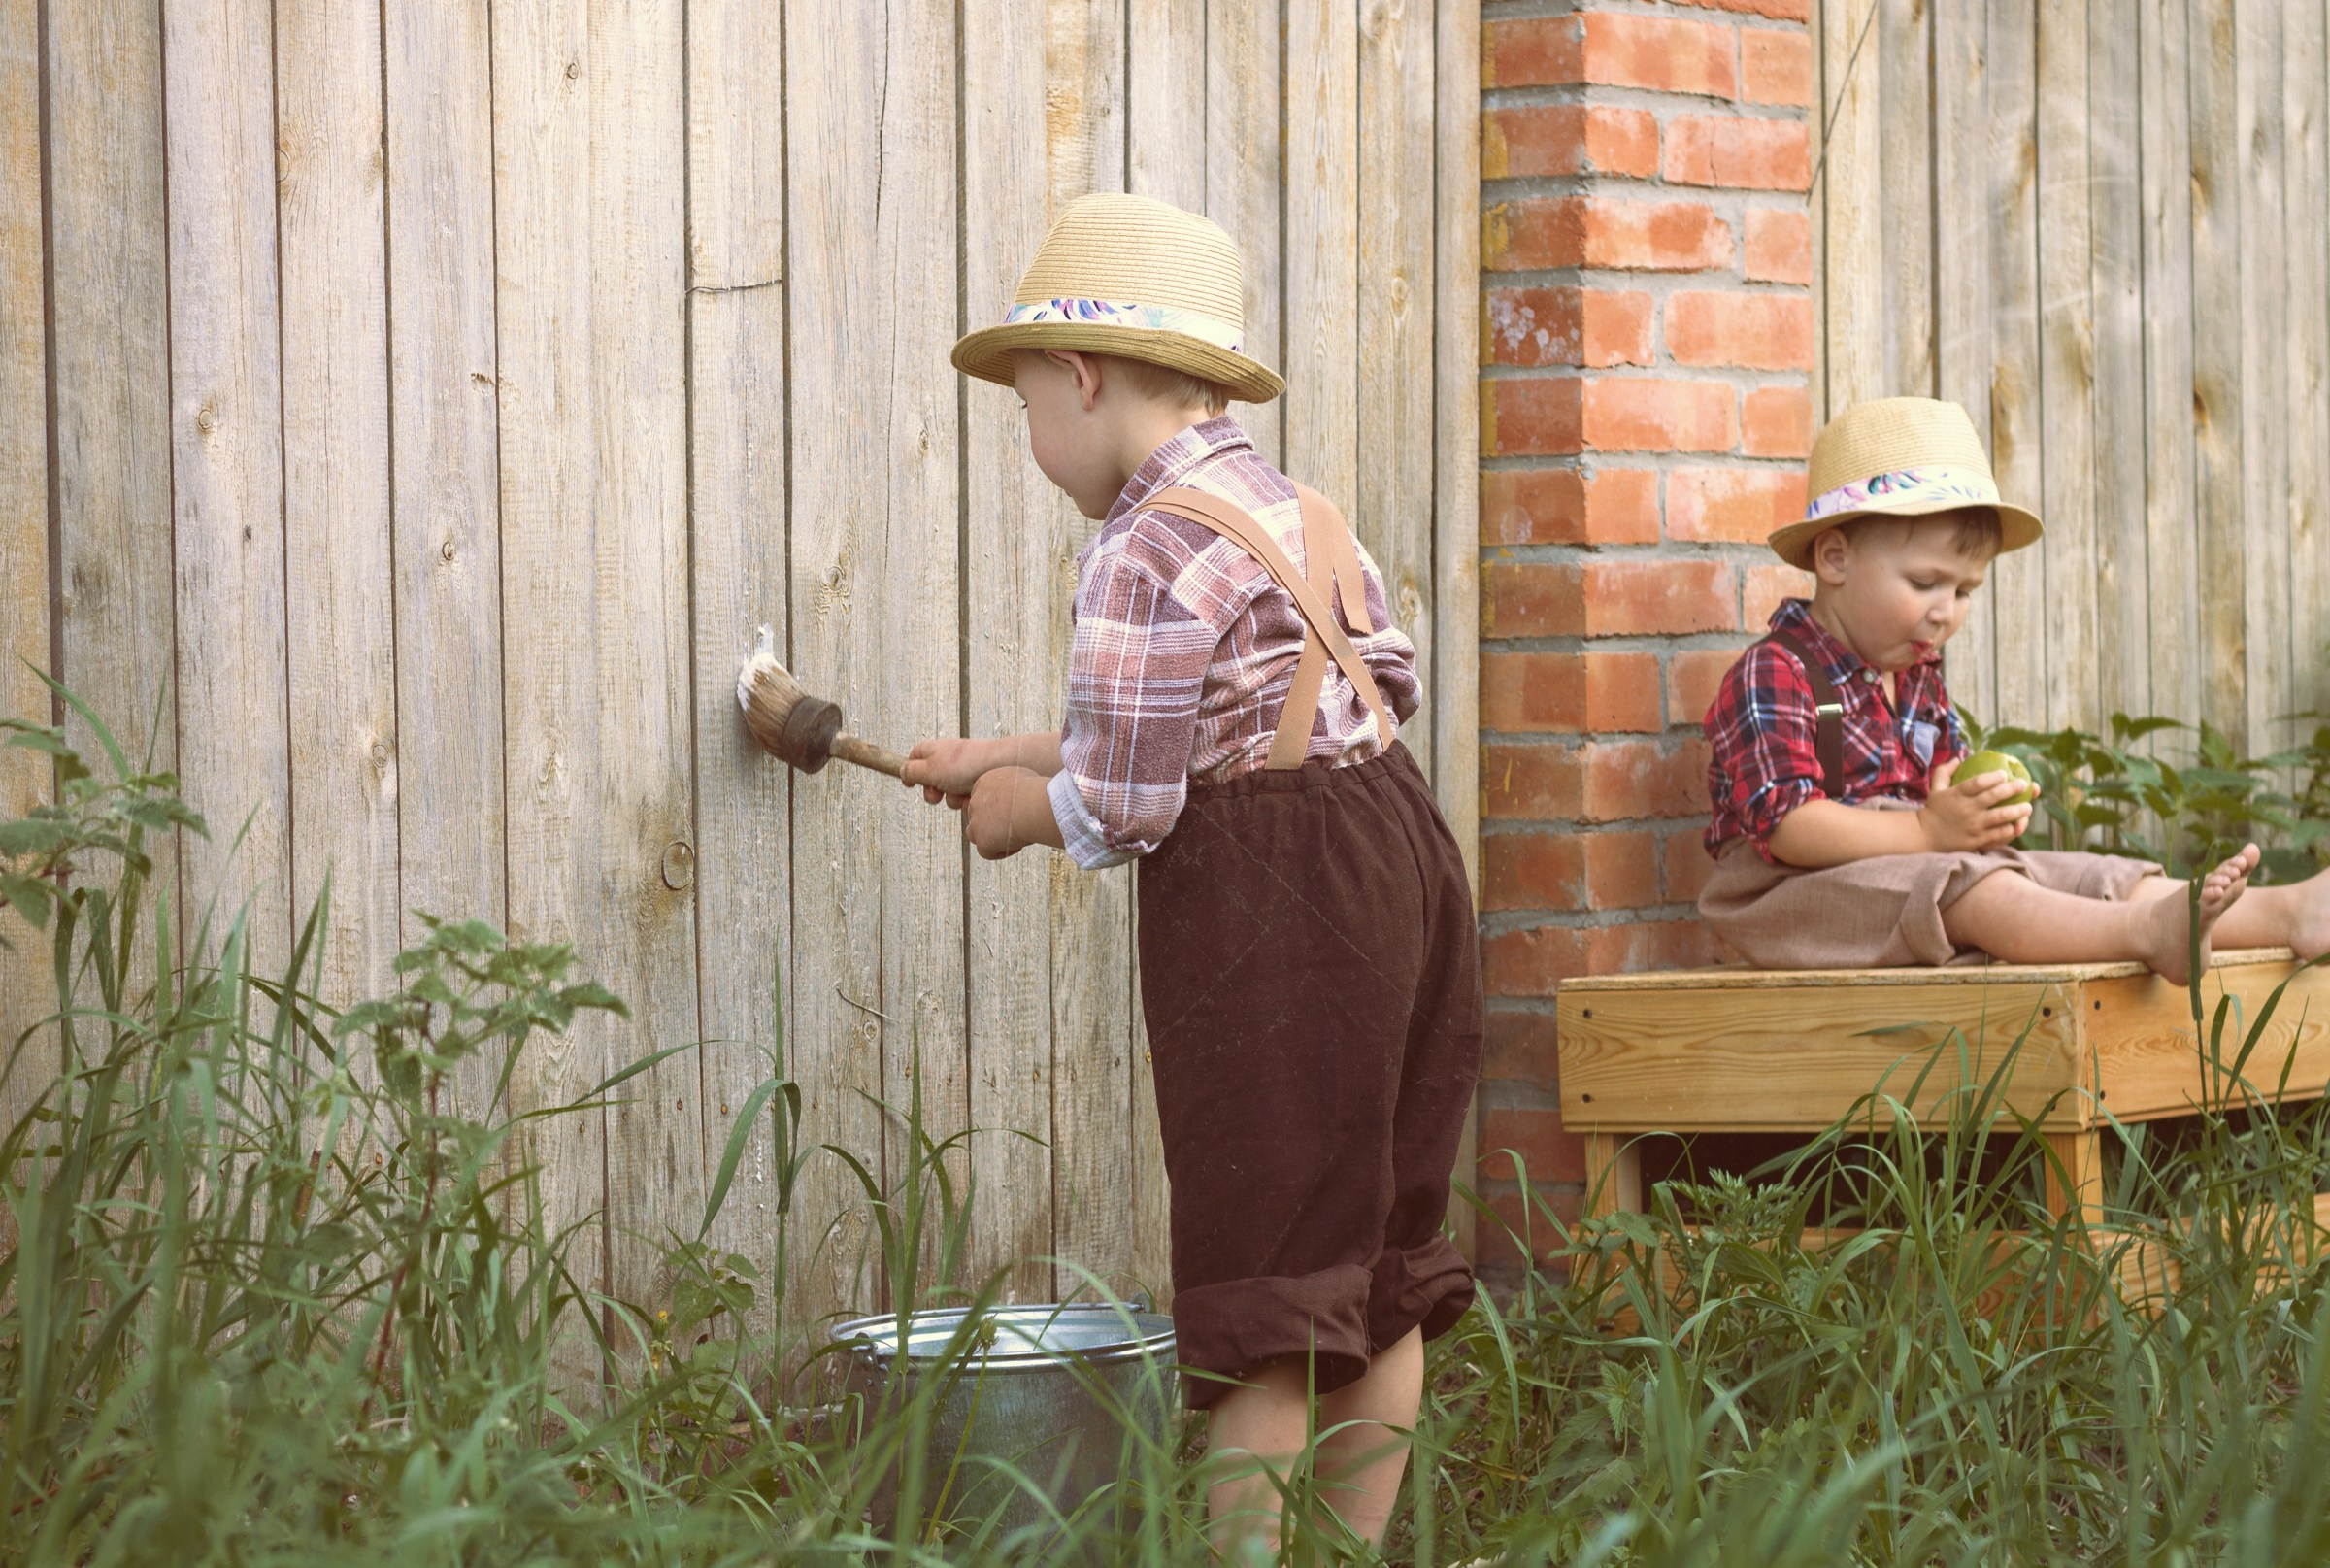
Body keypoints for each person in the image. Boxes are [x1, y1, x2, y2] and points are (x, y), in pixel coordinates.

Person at [899, 192, 1481, 1551]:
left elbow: (1127, 792)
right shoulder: (1292, 505)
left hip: (1283, 911)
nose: (1031, 428)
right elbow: (1311, 696)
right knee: (1379, 1264)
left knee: (1267, 1280)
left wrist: (1021, 811)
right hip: (1398, 850)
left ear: (1081, 376)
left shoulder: (1140, 545)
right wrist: (1009, 745)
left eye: (1027, 394)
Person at [1699, 395, 2330, 978]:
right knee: (1976, 886)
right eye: (1925, 583)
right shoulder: (1776, 672)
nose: (1946, 610)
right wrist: (1926, 832)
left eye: (1965, 590)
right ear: (1835, 559)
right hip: (1790, 898)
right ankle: (2146, 931)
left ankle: (2287, 912)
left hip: (1910, 873)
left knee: (2077, 874)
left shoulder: (1914, 676)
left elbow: (1939, 798)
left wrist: (1974, 807)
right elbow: (1788, 826)